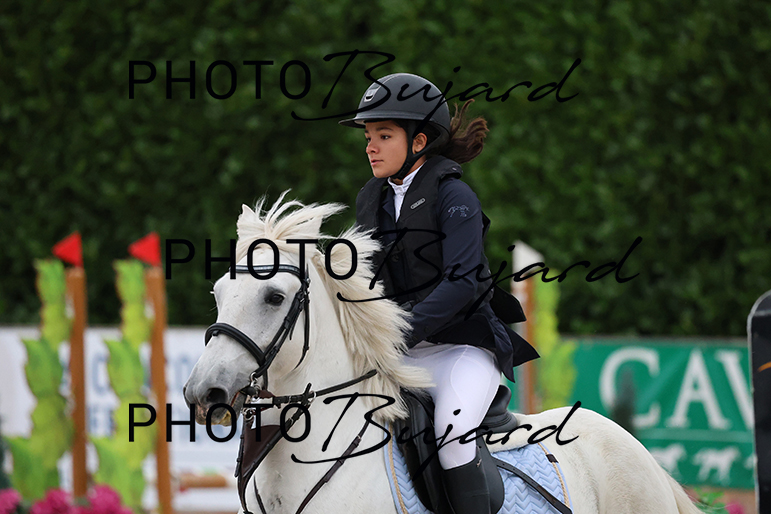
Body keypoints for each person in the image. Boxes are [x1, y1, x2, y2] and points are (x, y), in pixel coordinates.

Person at [340, 73, 538, 514]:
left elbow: (463, 282)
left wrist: (396, 331)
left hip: (461, 349)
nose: (370, 147)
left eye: (384, 136)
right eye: (369, 137)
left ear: (419, 141)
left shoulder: (454, 196)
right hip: (400, 353)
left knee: (451, 437)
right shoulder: (371, 199)